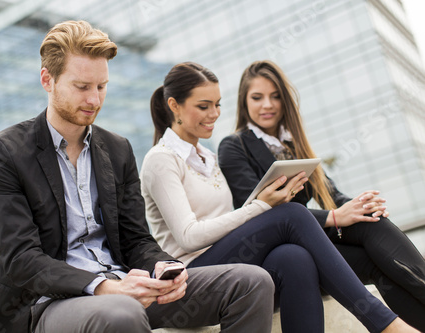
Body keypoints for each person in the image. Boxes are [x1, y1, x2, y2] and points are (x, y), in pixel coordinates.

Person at [0, 21, 276, 333]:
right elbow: (21, 259)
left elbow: (136, 239)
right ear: (47, 80)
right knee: (122, 312)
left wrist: (163, 265)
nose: (94, 100)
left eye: (101, 86)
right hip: (49, 303)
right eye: (82, 87)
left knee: (251, 282)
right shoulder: (6, 151)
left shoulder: (117, 149)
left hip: (125, 288)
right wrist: (102, 287)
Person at [140, 61, 420, 333]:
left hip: (228, 259)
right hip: (192, 273)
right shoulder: (161, 159)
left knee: (294, 257)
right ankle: (385, 324)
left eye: (217, 104)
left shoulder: (208, 158)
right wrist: (262, 205)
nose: (214, 114)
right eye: (204, 106)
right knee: (292, 214)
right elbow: (189, 236)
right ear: (174, 105)